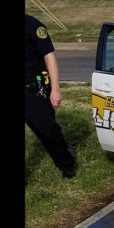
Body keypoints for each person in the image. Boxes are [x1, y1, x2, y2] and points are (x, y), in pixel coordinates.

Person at [25, 14, 76, 179]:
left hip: (33, 91)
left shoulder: (32, 25)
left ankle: (66, 164)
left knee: (47, 130)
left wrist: (55, 89)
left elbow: (49, 57)